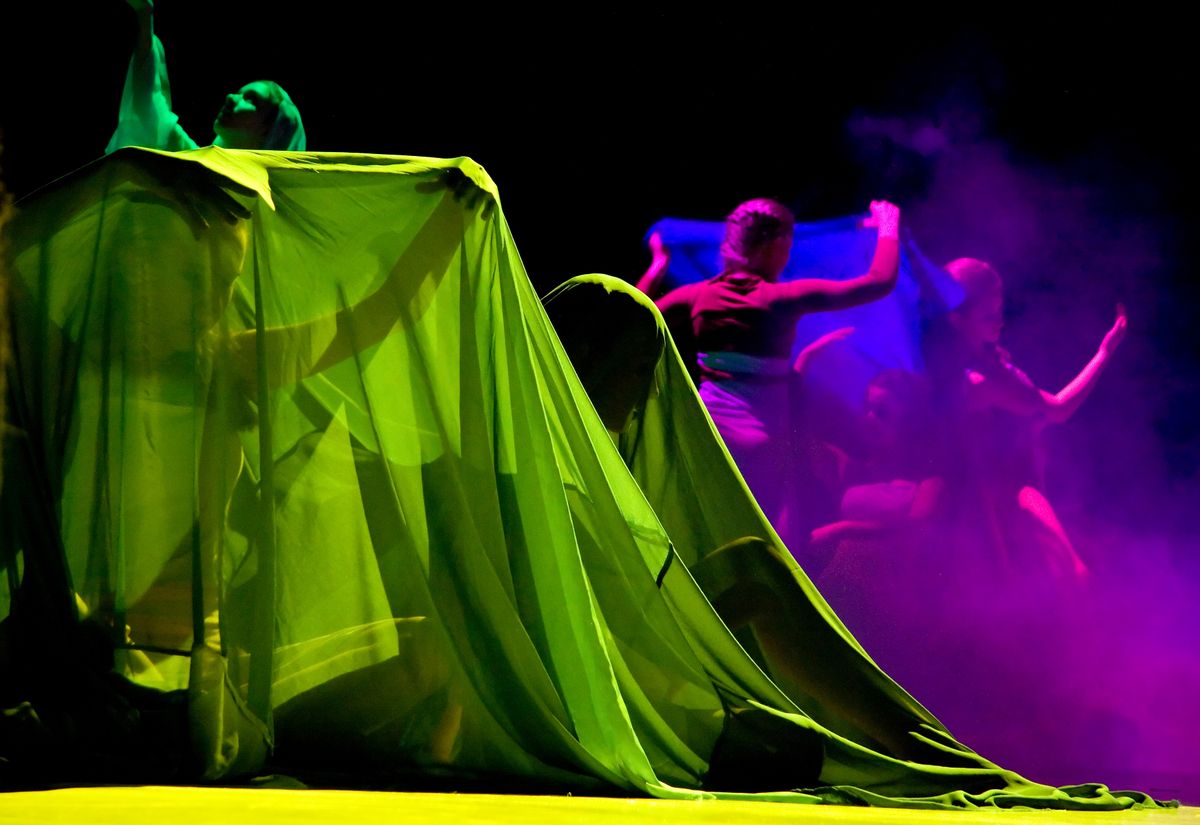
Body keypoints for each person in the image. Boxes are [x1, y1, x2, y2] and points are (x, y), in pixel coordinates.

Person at [635, 198, 901, 551]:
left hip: (706, 436)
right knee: (763, 548)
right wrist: (888, 226)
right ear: (776, 246)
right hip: (763, 449)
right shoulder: (782, 297)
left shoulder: (698, 297)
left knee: (703, 539)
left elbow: (634, 315)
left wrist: (658, 266)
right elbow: (878, 281)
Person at [922, 257, 1127, 583]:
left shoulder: (985, 367)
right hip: (1008, 497)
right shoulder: (981, 381)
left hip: (1016, 490)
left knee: (1056, 586)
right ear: (957, 320)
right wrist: (1104, 353)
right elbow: (1058, 408)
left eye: (1000, 312)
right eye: (989, 315)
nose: (1000, 323)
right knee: (1072, 580)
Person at [108, 0, 306, 154]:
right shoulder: (192, 163)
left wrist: (145, 16)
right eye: (239, 93)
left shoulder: (245, 196)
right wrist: (144, 16)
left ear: (269, 130)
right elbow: (149, 109)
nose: (230, 97)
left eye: (250, 99)